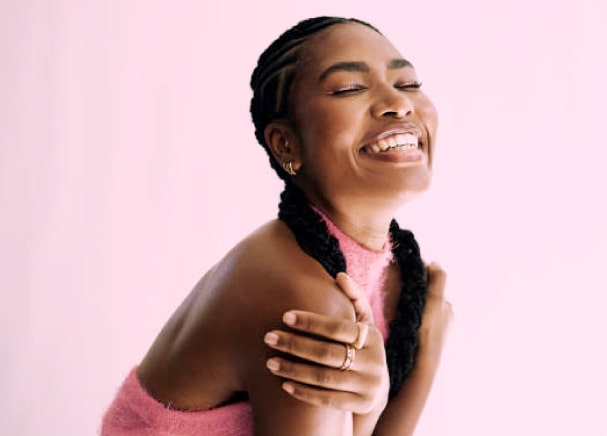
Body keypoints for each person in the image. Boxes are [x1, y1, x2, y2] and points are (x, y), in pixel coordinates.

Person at [101, 16, 452, 436]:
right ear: (286, 144)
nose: (397, 102)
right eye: (349, 88)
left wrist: (424, 352)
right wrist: (377, 404)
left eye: (408, 83)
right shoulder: (301, 295)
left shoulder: (399, 285)